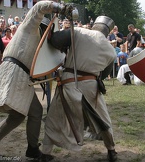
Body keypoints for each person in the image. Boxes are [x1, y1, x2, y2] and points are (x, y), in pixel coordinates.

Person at [0, 0, 65, 160]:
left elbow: (39, 69)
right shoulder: (29, 28)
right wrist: (58, 8)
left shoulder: (38, 43)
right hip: (15, 72)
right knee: (35, 112)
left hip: (17, 74)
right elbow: (39, 7)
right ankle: (32, 149)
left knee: (18, 115)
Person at [42, 15, 118, 162]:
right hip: (90, 86)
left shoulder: (79, 32)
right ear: (108, 31)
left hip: (68, 83)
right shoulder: (110, 50)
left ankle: (45, 152)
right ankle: (111, 151)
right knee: (102, 119)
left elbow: (55, 40)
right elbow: (103, 74)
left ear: (94, 25)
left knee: (55, 117)